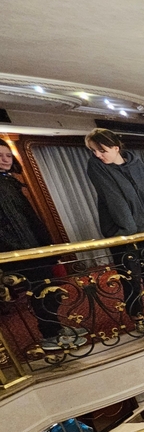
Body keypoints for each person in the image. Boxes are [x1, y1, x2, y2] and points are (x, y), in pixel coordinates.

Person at [0, 142, 86, 351]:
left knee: (49, 291)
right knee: (42, 293)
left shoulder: (9, 182)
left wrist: (45, 247)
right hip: (22, 252)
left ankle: (54, 329)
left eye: (7, 155)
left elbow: (28, 220)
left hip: (33, 248)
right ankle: (50, 336)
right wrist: (25, 251)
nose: (5, 159)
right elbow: (9, 226)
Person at [84, 129, 144, 322]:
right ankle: (136, 315)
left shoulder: (137, 163)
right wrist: (127, 231)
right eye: (93, 151)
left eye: (102, 150)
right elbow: (114, 199)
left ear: (116, 148)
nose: (97, 155)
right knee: (130, 276)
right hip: (121, 231)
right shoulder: (96, 166)